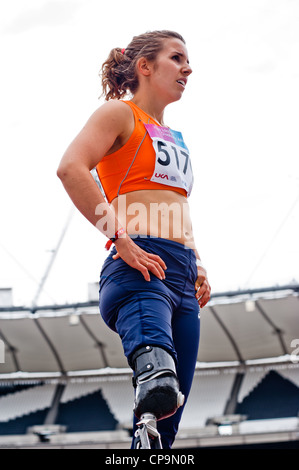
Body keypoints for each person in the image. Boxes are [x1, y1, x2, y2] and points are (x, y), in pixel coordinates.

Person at [57, 30, 211, 449]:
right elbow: (71, 168)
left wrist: (196, 259)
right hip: (139, 263)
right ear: (145, 66)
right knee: (158, 380)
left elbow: (175, 203)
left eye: (187, 60)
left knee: (167, 423)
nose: (188, 68)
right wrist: (120, 238)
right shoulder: (118, 114)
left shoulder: (174, 137)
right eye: (177, 58)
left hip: (179, 273)